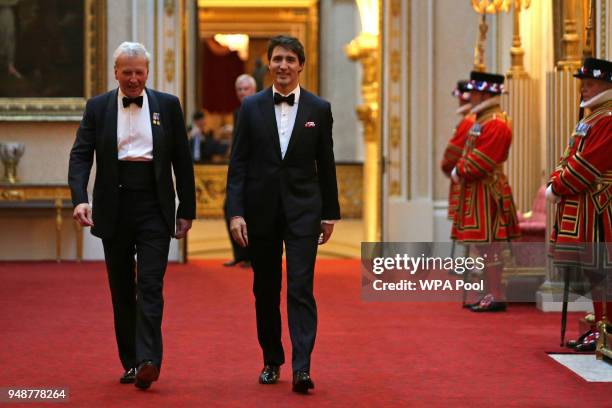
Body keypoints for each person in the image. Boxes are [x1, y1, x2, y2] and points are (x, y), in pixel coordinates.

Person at [68, 41, 195, 390]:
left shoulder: (168, 106)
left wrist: (187, 209)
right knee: (122, 289)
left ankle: (150, 360)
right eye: (127, 72)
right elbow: (80, 155)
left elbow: (182, 161)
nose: (134, 79)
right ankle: (131, 362)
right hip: (114, 206)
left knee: (151, 283)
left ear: (147, 73)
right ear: (116, 72)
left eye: (139, 72)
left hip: (154, 205)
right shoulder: (97, 108)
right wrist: (79, 198)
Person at [226, 35, 340, 393]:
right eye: (277, 59)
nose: (283, 65)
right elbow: (238, 164)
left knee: (301, 288)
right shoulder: (251, 107)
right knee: (265, 289)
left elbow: (327, 163)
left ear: (301, 65)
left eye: (290, 59)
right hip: (260, 213)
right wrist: (236, 212)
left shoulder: (319, 109)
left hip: (305, 211)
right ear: (268, 64)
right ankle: (272, 360)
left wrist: (330, 214)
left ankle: (302, 368)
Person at [547, 57, 612, 352]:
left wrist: (559, 185)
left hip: (602, 207)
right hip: (585, 206)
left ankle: (607, 330)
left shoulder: (608, 119)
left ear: (606, 85)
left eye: (590, 84)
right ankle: (601, 328)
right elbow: (569, 157)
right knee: (594, 269)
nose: (583, 90)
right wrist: (556, 178)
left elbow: (589, 165)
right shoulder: (591, 118)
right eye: (583, 84)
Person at [451, 70, 521, 312]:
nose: (469, 96)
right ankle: (488, 291)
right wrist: (460, 168)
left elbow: (480, 160)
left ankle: (495, 293)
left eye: (473, 92)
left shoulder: (495, 123)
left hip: (487, 192)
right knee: (482, 246)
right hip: (477, 191)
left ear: (483, 93)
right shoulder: (482, 120)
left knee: (490, 245)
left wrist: (459, 169)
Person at [223, 74, 256, 267]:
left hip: (255, 171)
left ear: (254, 89)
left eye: (246, 89)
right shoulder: (237, 113)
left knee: (251, 213)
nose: (242, 93)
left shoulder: (261, 108)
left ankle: (252, 256)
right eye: (239, 90)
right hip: (240, 169)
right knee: (230, 209)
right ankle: (240, 254)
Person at [441, 80, 474, 223]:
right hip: (467, 177)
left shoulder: (468, 122)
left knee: (466, 229)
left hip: (464, 180)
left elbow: (452, 153)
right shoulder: (475, 120)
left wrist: (447, 167)